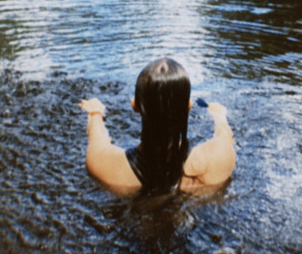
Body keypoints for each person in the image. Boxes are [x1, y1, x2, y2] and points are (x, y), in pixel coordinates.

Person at [79, 58, 236, 195]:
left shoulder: (104, 165)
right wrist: (219, 116)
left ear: (135, 105)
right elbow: (225, 137)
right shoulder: (219, 157)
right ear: (188, 106)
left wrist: (95, 113)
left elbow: (97, 141)